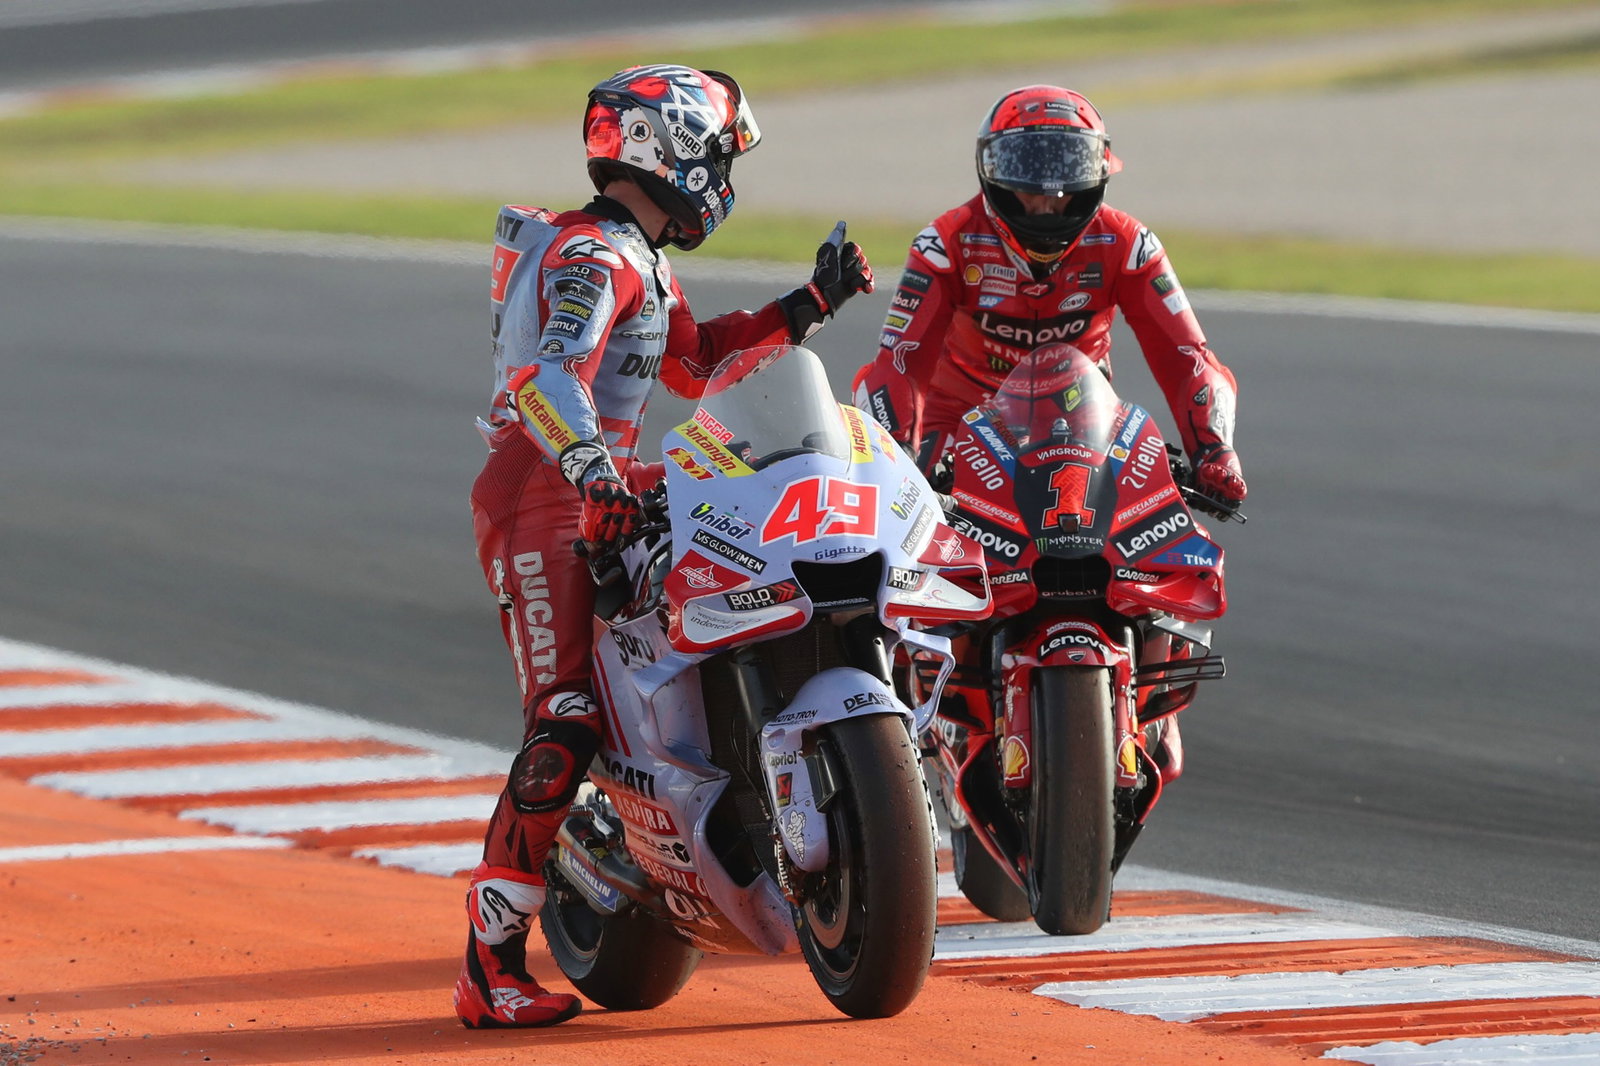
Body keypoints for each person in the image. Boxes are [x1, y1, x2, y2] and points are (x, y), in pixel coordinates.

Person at [458, 63, 873, 1028]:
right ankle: (489, 964)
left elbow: (691, 361)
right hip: (544, 492)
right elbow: (546, 378)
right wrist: (596, 473)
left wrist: (808, 304)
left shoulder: (638, 255)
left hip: (609, 480)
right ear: (668, 146)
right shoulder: (592, 256)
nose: (726, 170)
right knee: (564, 718)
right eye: (720, 150)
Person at [852, 85, 1246, 509]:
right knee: (906, 530)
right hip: (958, 421)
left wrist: (1214, 451)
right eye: (1030, 185)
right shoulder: (944, 244)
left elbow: (1188, 358)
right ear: (993, 172)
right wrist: (900, 452)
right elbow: (900, 361)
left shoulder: (1130, 245)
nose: (1046, 204)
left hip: (1084, 422)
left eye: (1063, 188)